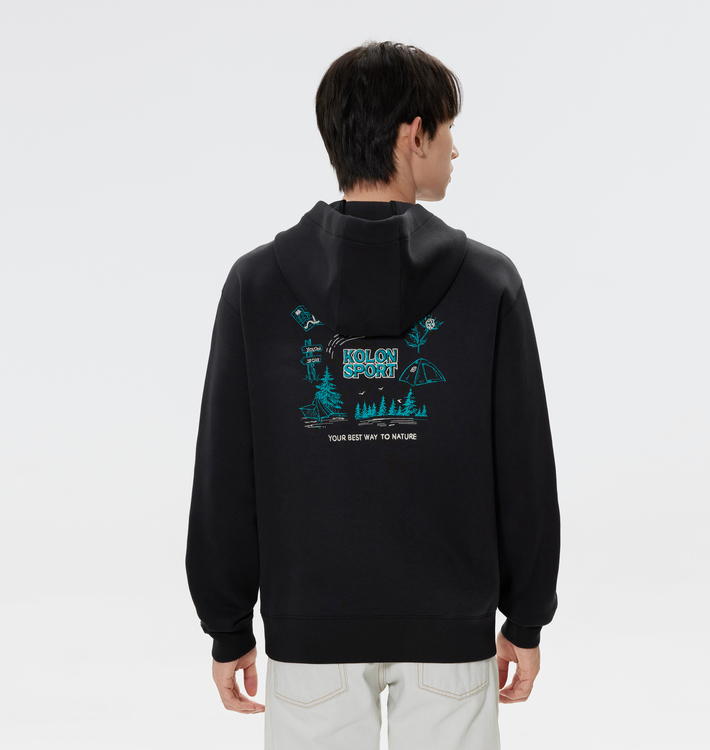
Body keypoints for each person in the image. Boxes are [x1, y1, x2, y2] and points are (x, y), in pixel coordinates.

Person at [185, 40, 561, 749]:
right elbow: (523, 466)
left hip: (309, 635)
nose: (455, 149)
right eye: (447, 130)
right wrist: (527, 616)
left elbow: (226, 473)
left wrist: (227, 625)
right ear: (413, 134)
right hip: (452, 634)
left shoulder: (257, 285)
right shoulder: (488, 284)